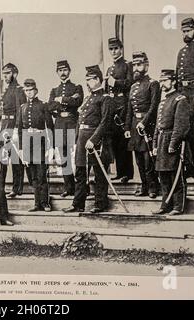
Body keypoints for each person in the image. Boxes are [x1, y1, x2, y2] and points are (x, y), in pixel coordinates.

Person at [63, 65, 114, 213]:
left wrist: (94, 139)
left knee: (99, 173)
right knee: (80, 172)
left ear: (98, 79)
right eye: (86, 80)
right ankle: (78, 204)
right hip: (82, 140)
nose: (87, 83)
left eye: (90, 80)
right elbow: (80, 121)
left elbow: (105, 122)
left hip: (96, 141)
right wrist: (77, 140)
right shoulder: (87, 98)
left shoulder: (105, 99)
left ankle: (100, 203)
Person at [152, 70, 190, 215]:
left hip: (172, 142)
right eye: (161, 81)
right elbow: (158, 126)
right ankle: (165, 205)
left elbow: (181, 126)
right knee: (163, 176)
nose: (162, 84)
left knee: (176, 175)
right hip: (162, 141)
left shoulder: (180, 100)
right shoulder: (162, 102)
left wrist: (173, 144)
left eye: (165, 81)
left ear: (173, 81)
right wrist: (155, 144)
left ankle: (178, 206)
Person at [124, 51, 161, 198]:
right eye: (134, 65)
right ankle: (144, 185)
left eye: (139, 65)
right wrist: (127, 127)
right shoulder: (133, 87)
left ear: (146, 65)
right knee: (138, 159)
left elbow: (154, 107)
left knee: (148, 159)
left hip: (147, 126)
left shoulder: (153, 84)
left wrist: (144, 123)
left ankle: (153, 186)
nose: (136, 68)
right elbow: (129, 110)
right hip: (134, 126)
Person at [176, 17, 194, 181]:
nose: (186, 34)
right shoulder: (181, 52)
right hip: (184, 96)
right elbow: (177, 76)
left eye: (188, 30)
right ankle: (191, 167)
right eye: (184, 31)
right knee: (185, 133)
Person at [17, 79, 54, 212]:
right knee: (32, 176)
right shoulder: (22, 108)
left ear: (36, 90)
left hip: (40, 143)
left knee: (41, 174)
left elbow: (50, 127)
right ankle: (37, 203)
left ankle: (45, 202)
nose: (29, 92)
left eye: (31, 90)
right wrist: (21, 149)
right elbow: (20, 130)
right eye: (26, 90)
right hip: (27, 144)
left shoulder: (43, 105)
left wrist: (51, 147)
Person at [48, 60, 83, 197]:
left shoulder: (77, 88)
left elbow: (77, 102)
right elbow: (50, 107)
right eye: (60, 70)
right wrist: (67, 100)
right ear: (57, 73)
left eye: (65, 70)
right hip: (60, 124)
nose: (63, 73)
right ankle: (68, 187)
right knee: (63, 157)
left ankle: (80, 187)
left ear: (69, 71)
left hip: (72, 123)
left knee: (75, 156)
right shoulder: (53, 90)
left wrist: (60, 99)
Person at [104, 37, 134, 183]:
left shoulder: (128, 65)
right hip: (113, 106)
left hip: (123, 105)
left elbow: (130, 83)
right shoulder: (110, 68)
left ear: (121, 49)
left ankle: (127, 173)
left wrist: (115, 82)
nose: (114, 51)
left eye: (116, 48)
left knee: (123, 141)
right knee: (114, 140)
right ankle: (120, 172)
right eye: (111, 49)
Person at [0, 63, 28, 198]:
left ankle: (17, 188)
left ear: (15, 74)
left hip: (13, 126)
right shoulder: (6, 90)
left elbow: (20, 111)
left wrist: (16, 129)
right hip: (4, 126)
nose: (5, 76)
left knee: (15, 159)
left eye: (8, 73)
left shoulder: (18, 90)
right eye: (4, 73)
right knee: (2, 158)